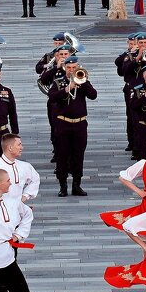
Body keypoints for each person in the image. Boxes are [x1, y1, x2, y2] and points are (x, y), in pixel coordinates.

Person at [49, 57, 97, 196]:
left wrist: (83, 83)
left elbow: (93, 95)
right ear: (65, 68)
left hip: (80, 124)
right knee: (62, 155)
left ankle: (77, 185)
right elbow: (52, 97)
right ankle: (62, 186)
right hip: (63, 124)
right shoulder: (58, 83)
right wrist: (67, 88)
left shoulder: (83, 81)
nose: (72, 70)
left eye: (74, 67)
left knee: (78, 155)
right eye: (69, 68)